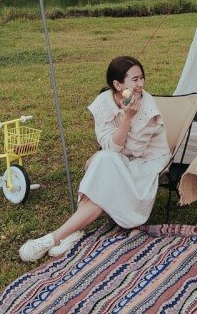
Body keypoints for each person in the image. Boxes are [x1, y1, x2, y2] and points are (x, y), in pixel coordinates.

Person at [19, 55, 170, 262]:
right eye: (135, 80)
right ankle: (69, 232)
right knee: (104, 161)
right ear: (117, 84)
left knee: (103, 163)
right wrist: (110, 143)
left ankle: (54, 237)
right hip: (120, 158)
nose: (141, 84)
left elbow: (134, 150)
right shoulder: (103, 103)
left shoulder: (148, 108)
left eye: (142, 78)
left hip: (145, 163)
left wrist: (127, 119)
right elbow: (111, 146)